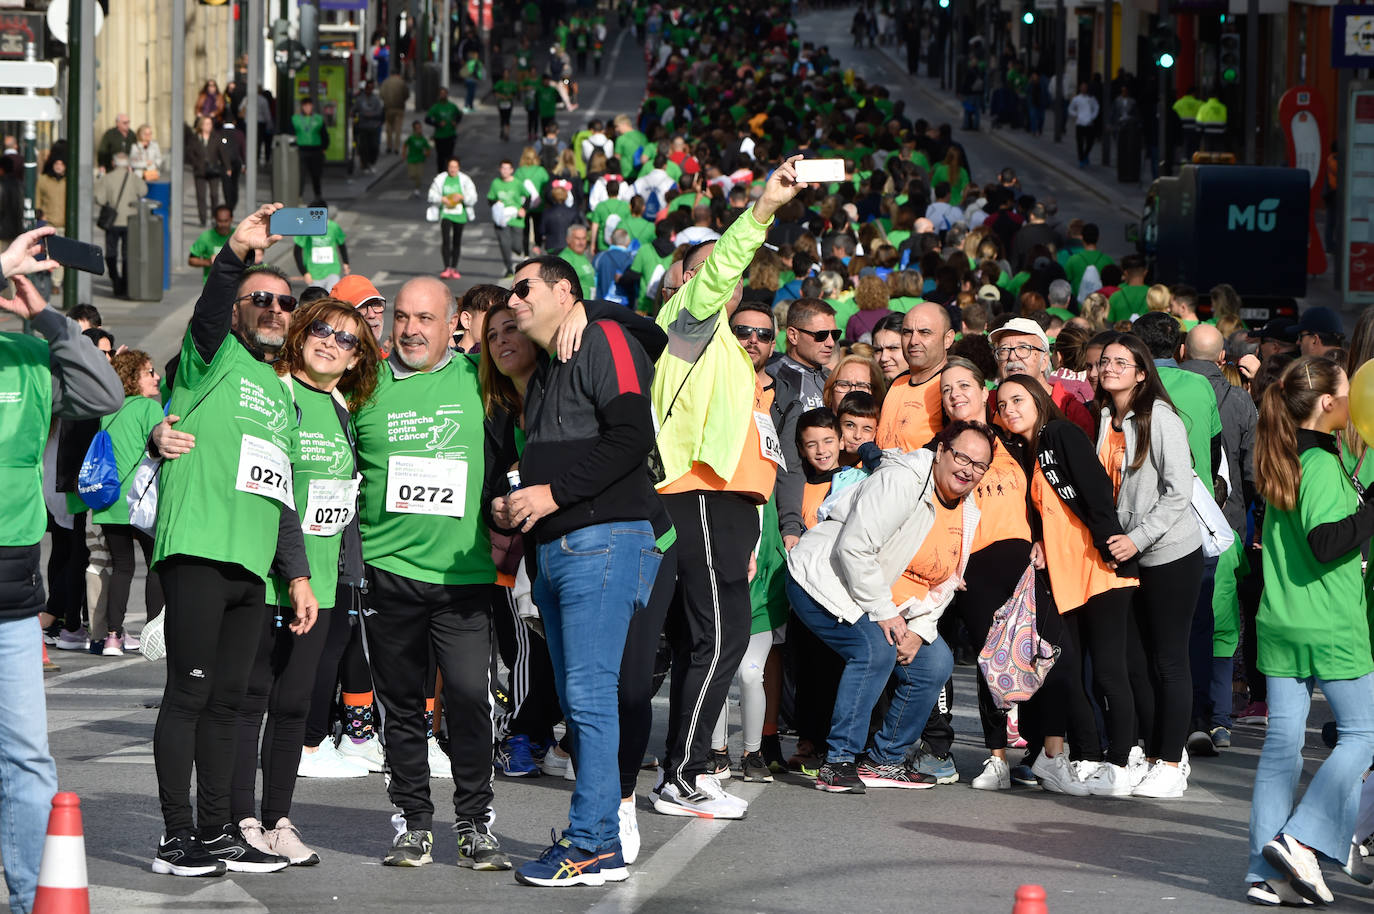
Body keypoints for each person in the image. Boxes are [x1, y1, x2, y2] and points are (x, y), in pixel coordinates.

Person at [147, 203, 316, 877]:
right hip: (196, 552)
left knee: (227, 704)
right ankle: (175, 836)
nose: (275, 308)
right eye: (262, 299)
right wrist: (234, 256)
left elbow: (280, 493)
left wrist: (295, 573)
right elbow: (213, 309)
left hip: (252, 567)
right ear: (241, 310)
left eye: (285, 301)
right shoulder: (209, 358)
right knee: (188, 696)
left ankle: (216, 830)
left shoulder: (283, 394)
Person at [497, 256, 666, 887]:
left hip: (602, 543)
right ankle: (597, 843)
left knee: (591, 702)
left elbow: (631, 437)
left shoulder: (602, 336)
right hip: (565, 547)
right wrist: (519, 500)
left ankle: (593, 843)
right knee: (580, 702)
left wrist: (547, 496)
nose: (513, 301)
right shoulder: (544, 371)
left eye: (524, 288)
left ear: (565, 292)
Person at [649, 156, 806, 819]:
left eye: (735, 277)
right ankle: (680, 774)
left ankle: (688, 766)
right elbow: (713, 270)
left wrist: (758, 528)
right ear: (681, 283)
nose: (728, 281)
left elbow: (758, 454)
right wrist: (764, 208)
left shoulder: (733, 356)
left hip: (731, 509)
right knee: (716, 640)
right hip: (698, 495)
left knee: (721, 641)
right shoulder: (685, 327)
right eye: (714, 272)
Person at [349, 275, 511, 870]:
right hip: (387, 573)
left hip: (462, 577)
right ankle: (413, 821)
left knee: (469, 697)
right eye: (403, 318)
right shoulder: (364, 388)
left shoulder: (482, 382)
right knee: (401, 705)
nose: (412, 329)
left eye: (425, 319)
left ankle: (474, 822)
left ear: (453, 326)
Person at [231, 298, 381, 866]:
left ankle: (279, 821)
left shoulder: (343, 407)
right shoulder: (277, 393)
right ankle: (240, 819)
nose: (330, 343)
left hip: (322, 584)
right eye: (321, 330)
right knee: (251, 703)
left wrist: (346, 577)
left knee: (295, 705)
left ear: (354, 359)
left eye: (346, 339)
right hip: (268, 580)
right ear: (301, 335)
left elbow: (341, 500)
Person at [0, 225, 121, 912]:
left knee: (26, 763)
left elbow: (105, 397)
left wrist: (45, 317)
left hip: (11, 597)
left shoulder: (25, 355)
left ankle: (26, 901)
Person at [786, 421, 993, 792]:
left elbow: (947, 581)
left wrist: (919, 630)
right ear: (941, 451)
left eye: (979, 466)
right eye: (962, 457)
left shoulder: (968, 509)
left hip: (884, 601)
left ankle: (884, 761)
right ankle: (838, 761)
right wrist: (887, 614)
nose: (968, 470)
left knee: (936, 662)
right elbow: (854, 548)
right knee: (874, 650)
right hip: (823, 580)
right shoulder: (903, 480)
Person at [1245, 356, 1374, 906]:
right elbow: (1326, 543)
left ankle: (1263, 872)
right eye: (1347, 392)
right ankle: (1302, 838)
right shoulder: (1320, 464)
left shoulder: (1285, 457)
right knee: (1364, 735)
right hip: (1329, 621)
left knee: (1281, 749)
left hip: (1282, 620)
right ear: (1327, 403)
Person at [997, 374, 1141, 797]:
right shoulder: (1028, 448)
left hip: (1099, 567)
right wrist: (1041, 539)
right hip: (1064, 575)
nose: (1010, 410)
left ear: (1039, 398)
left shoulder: (1060, 433)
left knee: (1111, 671)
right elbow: (1048, 510)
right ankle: (1090, 756)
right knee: (1069, 671)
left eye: (1018, 400)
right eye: (1002, 405)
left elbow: (1096, 490)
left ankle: (1119, 762)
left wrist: (1111, 544)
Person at [1095, 333, 1203, 798]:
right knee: (1133, 661)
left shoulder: (1160, 417)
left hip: (1170, 552)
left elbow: (1179, 490)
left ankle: (1172, 761)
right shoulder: (1105, 416)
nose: (1110, 367)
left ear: (1142, 372)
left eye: (1122, 361)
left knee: (1169, 660)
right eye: (1105, 360)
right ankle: (1148, 750)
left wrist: (1136, 537)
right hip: (1128, 553)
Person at [89, 350, 165, 655]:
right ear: (134, 378)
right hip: (142, 500)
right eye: (148, 372)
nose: (156, 376)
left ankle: (112, 636)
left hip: (108, 499)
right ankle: (153, 632)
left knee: (121, 568)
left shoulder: (108, 410)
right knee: (154, 567)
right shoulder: (149, 408)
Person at [876, 301, 955, 452]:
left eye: (925, 332)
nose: (913, 341)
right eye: (907, 332)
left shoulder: (953, 387)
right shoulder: (897, 382)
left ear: (948, 339)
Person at [92, 153, 147, 299]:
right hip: (130, 221)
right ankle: (126, 283)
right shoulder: (133, 177)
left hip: (113, 221)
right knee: (127, 253)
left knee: (111, 252)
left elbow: (100, 198)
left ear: (113, 163)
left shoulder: (107, 178)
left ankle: (115, 279)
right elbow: (143, 190)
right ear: (128, 164)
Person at [429, 157, 478, 279]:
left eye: (455, 167)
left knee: (457, 241)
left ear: (459, 168)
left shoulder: (465, 180)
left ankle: (454, 268)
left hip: (460, 214)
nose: (453, 169)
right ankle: (446, 268)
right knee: (446, 240)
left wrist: (462, 197)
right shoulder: (440, 179)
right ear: (447, 167)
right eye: (451, 167)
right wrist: (441, 199)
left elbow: (473, 196)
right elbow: (431, 194)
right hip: (446, 213)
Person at [488, 159, 529, 277]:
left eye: (507, 168)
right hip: (501, 219)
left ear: (512, 170)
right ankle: (509, 269)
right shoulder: (496, 183)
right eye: (503, 168)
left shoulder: (517, 183)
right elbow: (490, 199)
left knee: (517, 246)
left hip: (516, 219)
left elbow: (528, 196)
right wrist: (496, 202)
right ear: (500, 169)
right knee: (504, 243)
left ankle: (517, 254)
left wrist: (524, 209)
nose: (505, 171)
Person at [292, 205, 350, 288]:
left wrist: (346, 262)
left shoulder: (334, 227)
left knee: (331, 297)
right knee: (318, 300)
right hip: (314, 273)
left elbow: (341, 244)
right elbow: (297, 251)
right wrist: (304, 273)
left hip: (332, 270)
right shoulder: (306, 228)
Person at [188, 116, 227, 226]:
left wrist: (227, 167)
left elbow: (222, 152)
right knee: (201, 195)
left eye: (210, 124)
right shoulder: (195, 138)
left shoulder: (216, 137)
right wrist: (196, 163)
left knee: (214, 195)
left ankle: (214, 217)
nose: (208, 126)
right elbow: (189, 153)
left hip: (213, 170)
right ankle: (203, 219)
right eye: (206, 124)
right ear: (201, 125)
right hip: (200, 171)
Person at [188, 205, 235, 283]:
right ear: (215, 219)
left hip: (235, 285)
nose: (223, 225)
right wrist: (208, 262)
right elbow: (191, 260)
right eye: (220, 221)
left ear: (231, 219)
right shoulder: (206, 237)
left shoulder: (237, 235)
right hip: (212, 286)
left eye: (226, 221)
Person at [292, 99, 327, 202]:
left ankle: (318, 195)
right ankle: (299, 196)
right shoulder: (295, 119)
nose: (307, 108)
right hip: (301, 150)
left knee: (316, 174)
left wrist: (324, 148)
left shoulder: (318, 119)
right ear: (302, 107)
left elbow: (324, 134)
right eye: (305, 106)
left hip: (316, 150)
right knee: (301, 175)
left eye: (309, 106)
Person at [426, 88, 463, 173]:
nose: (443, 95)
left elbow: (459, 114)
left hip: (450, 134)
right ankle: (440, 173)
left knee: (449, 155)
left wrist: (456, 122)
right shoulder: (436, 107)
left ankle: (449, 172)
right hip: (439, 136)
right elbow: (427, 119)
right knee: (440, 156)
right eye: (441, 93)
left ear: (447, 95)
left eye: (444, 93)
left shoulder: (452, 106)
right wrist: (437, 124)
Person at [354, 81, 385, 175]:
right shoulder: (360, 99)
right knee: (363, 147)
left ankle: (371, 162)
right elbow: (355, 109)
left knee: (374, 146)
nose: (369, 90)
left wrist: (370, 115)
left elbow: (379, 112)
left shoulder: (376, 99)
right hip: (363, 126)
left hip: (374, 126)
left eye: (371, 88)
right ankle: (365, 164)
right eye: (368, 88)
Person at [1068, 83, 1101, 167]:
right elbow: (1070, 109)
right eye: (1082, 88)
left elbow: (1096, 107)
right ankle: (1081, 159)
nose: (1083, 89)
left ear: (1087, 89)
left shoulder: (1091, 98)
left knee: (1090, 142)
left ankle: (1085, 155)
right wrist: (1076, 115)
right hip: (1079, 123)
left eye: (1085, 88)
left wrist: (1092, 116)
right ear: (1080, 89)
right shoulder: (1076, 99)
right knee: (1080, 143)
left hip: (1089, 123)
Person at [35, 146, 65, 232]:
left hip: (64, 226)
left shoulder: (68, 181)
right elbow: (37, 201)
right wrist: (40, 216)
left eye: (62, 164)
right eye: (56, 164)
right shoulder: (43, 179)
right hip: (48, 225)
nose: (59, 167)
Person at [380, 71, 411, 154]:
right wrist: (402, 100)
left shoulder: (386, 82)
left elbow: (381, 94)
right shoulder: (401, 82)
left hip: (388, 108)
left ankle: (389, 146)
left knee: (389, 128)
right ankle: (396, 148)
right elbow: (406, 94)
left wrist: (386, 101)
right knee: (398, 129)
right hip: (399, 108)